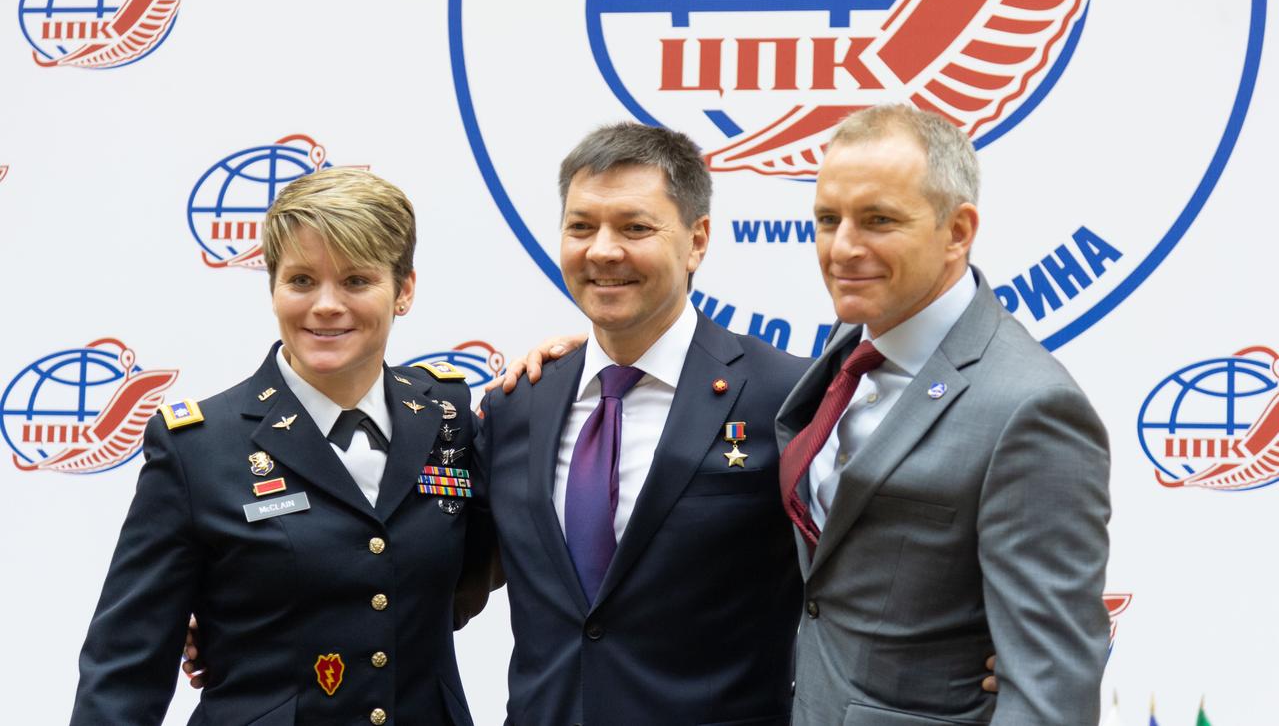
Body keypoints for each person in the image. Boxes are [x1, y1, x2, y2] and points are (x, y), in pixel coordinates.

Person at [70, 168, 493, 726]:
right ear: (273, 287)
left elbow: (497, 559)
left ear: (405, 289)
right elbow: (124, 667)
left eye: (356, 281)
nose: (325, 305)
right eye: (300, 280)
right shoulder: (198, 447)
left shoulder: (449, 417)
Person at [779, 104, 1110, 725]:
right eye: (828, 219)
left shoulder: (1033, 408)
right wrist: (601, 360)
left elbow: (1050, 689)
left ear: (957, 231)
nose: (843, 248)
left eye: (878, 220)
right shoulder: (854, 336)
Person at [476, 123, 810, 725]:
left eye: (635, 227)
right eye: (581, 226)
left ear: (696, 241)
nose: (602, 250)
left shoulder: (783, 397)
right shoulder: (515, 404)